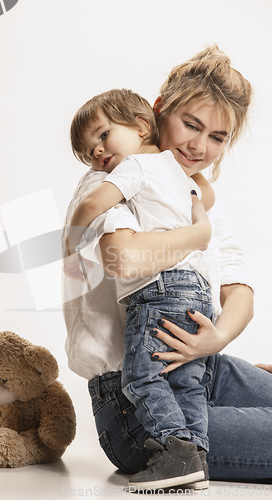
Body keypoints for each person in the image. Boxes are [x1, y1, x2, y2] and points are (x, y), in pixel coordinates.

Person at [63, 46, 272, 485]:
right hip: (134, 402)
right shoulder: (114, 178)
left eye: (217, 137)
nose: (199, 145)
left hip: (204, 367)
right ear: (158, 112)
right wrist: (197, 236)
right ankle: (175, 449)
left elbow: (239, 288)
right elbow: (123, 256)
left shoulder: (184, 194)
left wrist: (215, 339)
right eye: (191, 125)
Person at [66, 88, 217, 489]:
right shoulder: (175, 169)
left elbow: (96, 202)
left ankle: (174, 453)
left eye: (101, 135)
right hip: (197, 289)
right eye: (87, 151)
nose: (96, 154)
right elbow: (209, 197)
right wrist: (198, 225)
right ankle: (193, 455)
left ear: (141, 126)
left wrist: (70, 235)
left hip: (159, 288)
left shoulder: (132, 168)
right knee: (185, 382)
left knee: (142, 377)